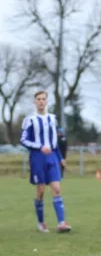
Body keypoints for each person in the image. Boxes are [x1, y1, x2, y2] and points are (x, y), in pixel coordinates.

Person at [20, 90, 71, 233]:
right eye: (38, 99)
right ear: (34, 102)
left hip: (52, 157)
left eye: (43, 99)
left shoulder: (52, 119)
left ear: (47, 101)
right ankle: (41, 222)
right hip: (37, 158)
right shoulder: (29, 120)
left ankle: (62, 223)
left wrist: (61, 158)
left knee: (56, 188)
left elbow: (55, 142)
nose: (41, 101)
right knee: (41, 191)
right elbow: (23, 140)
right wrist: (40, 147)